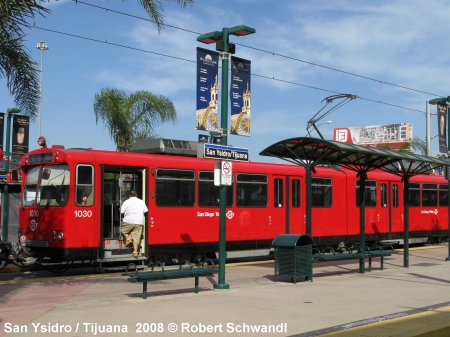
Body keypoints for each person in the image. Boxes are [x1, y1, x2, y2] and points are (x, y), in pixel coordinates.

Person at [120, 190, 148, 257]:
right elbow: (146, 211)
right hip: (139, 222)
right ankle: (135, 252)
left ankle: (128, 238)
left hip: (128, 222)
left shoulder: (126, 202)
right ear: (136, 195)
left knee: (122, 230)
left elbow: (121, 212)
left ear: (129, 195)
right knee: (136, 237)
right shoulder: (141, 201)